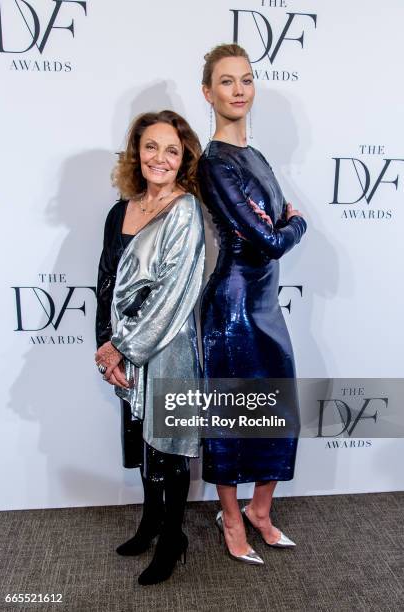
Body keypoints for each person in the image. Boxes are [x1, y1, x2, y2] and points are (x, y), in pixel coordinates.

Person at [197, 44, 307, 565]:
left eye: (245, 80)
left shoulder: (255, 157)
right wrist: (297, 224)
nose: (238, 90)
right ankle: (232, 516)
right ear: (208, 92)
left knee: (279, 410)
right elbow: (269, 237)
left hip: (266, 302)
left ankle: (262, 511)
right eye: (226, 82)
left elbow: (272, 227)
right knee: (232, 416)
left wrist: (282, 226)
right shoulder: (214, 164)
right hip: (233, 304)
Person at [95, 110, 205, 585]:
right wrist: (105, 341)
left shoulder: (185, 211)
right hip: (124, 348)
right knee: (144, 444)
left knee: (170, 449)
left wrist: (122, 348)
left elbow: (174, 294)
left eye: (171, 150)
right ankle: (150, 521)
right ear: (136, 151)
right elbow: (104, 280)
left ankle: (173, 537)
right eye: (151, 147)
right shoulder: (120, 210)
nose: (159, 158)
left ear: (183, 160)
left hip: (168, 347)